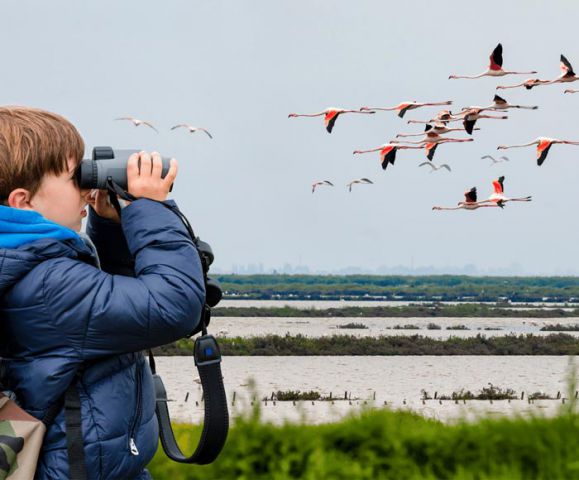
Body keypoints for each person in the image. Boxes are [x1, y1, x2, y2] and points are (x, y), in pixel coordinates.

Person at [0, 106, 206, 478]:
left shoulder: (27, 267)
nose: (86, 185)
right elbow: (172, 304)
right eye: (72, 176)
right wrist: (150, 209)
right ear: (23, 201)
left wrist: (112, 228)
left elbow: (108, 303)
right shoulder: (50, 284)